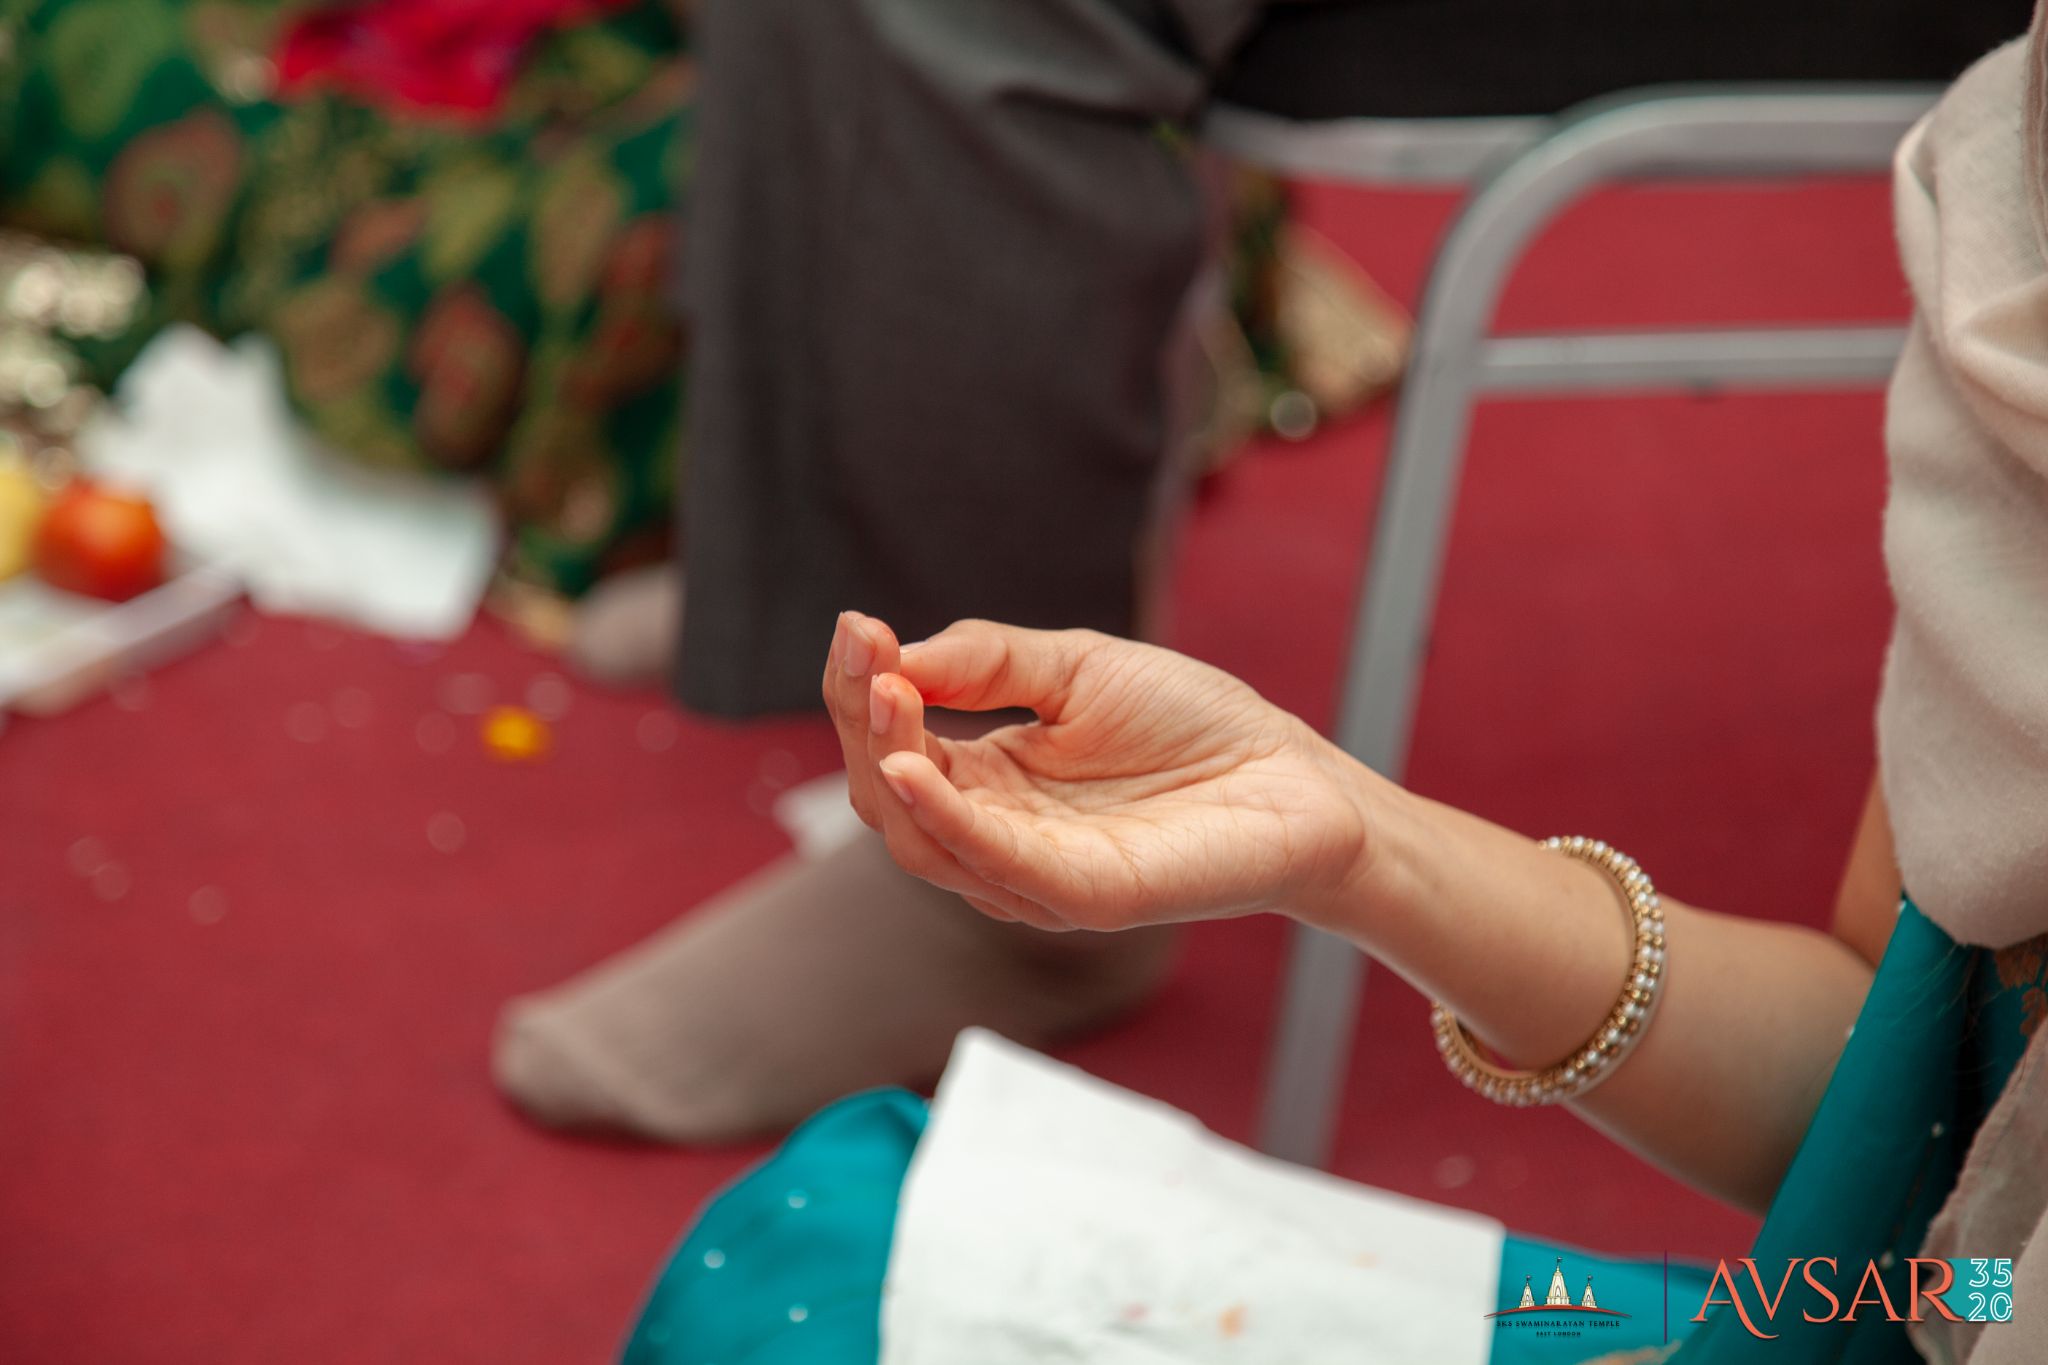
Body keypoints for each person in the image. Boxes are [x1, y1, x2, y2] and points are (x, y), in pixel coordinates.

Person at [614, 11, 2048, 1361]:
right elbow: (1910, 1131)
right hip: (1949, 1298)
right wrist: (1360, 843)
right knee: (803, 1269)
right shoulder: (2018, 204)